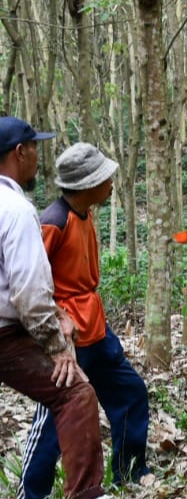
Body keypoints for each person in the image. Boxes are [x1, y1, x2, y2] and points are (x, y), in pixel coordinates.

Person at [22, 143, 151, 498]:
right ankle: (32, 493)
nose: (111, 182)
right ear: (86, 184)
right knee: (55, 421)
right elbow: (30, 282)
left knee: (131, 393)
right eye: (104, 177)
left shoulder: (85, 213)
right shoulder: (53, 222)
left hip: (97, 330)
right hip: (68, 340)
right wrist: (56, 325)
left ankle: (130, 472)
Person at [0, 117, 105, 499]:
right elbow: (28, 290)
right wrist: (56, 344)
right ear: (19, 153)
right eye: (35, 150)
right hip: (8, 335)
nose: (38, 159)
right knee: (75, 394)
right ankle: (83, 493)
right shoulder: (18, 209)